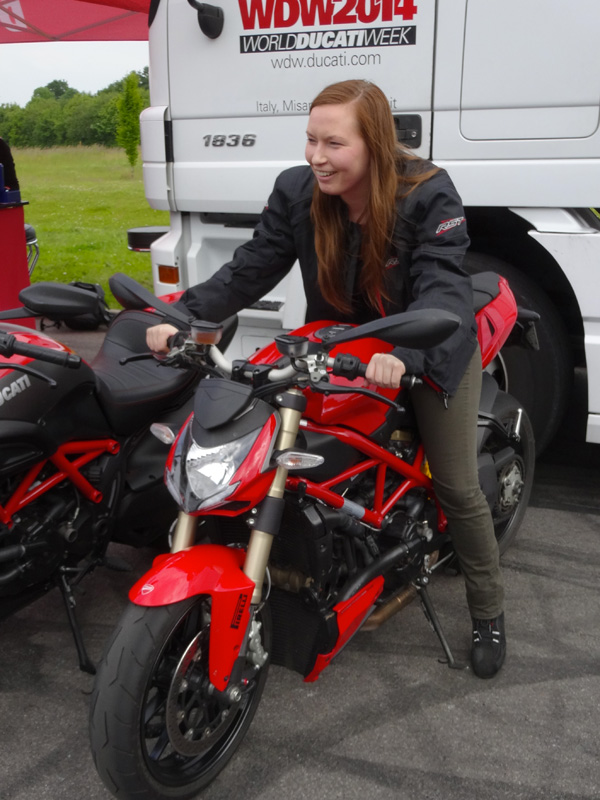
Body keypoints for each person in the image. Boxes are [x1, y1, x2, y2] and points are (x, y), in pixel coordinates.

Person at [147, 79, 506, 679]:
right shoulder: (297, 191)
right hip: (335, 342)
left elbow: (444, 289)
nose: (316, 156)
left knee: (455, 483)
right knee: (273, 439)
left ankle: (489, 612)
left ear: (374, 145)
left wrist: (409, 359)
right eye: (310, 139)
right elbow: (247, 270)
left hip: (426, 339)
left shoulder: (428, 194)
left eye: (333, 143)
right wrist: (181, 316)